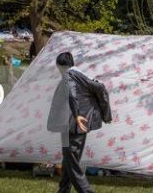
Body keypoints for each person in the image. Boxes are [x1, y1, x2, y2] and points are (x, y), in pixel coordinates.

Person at [47, 51, 112, 193]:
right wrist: (106, 115)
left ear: (60, 66)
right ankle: (63, 190)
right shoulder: (82, 76)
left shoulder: (69, 76)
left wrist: (76, 115)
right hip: (78, 125)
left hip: (73, 125)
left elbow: (72, 94)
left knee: (72, 163)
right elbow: (101, 89)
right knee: (69, 160)